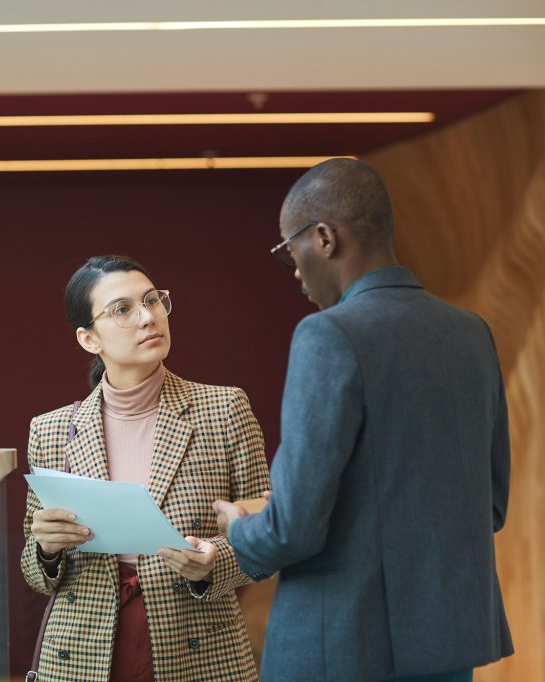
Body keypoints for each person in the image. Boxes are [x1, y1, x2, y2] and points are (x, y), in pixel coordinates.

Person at [214, 158, 513, 682]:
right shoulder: (472, 334)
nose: (297, 272)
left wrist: (239, 531)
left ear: (324, 238)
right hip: (447, 647)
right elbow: (489, 502)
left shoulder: (326, 335)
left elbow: (292, 529)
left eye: (291, 252)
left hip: (342, 648)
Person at [21, 255, 270, 682]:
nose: (148, 317)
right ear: (88, 339)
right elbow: (36, 572)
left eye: (153, 300)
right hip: (81, 652)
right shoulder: (51, 429)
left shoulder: (224, 409)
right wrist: (45, 549)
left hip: (198, 649)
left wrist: (214, 562)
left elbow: (267, 537)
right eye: (122, 309)